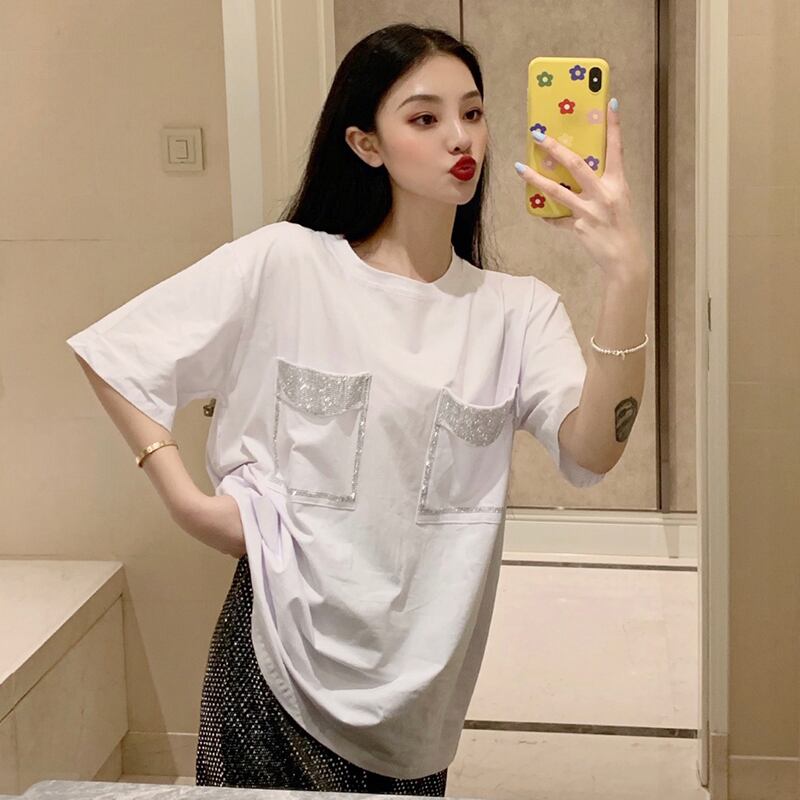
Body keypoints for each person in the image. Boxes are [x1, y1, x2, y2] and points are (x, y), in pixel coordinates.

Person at [66, 21, 649, 797]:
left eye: (473, 113)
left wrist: (627, 275)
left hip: (418, 702)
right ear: (366, 144)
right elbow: (118, 353)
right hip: (274, 662)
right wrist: (185, 502)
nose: (459, 137)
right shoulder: (289, 264)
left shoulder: (516, 313)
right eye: (425, 117)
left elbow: (595, 447)